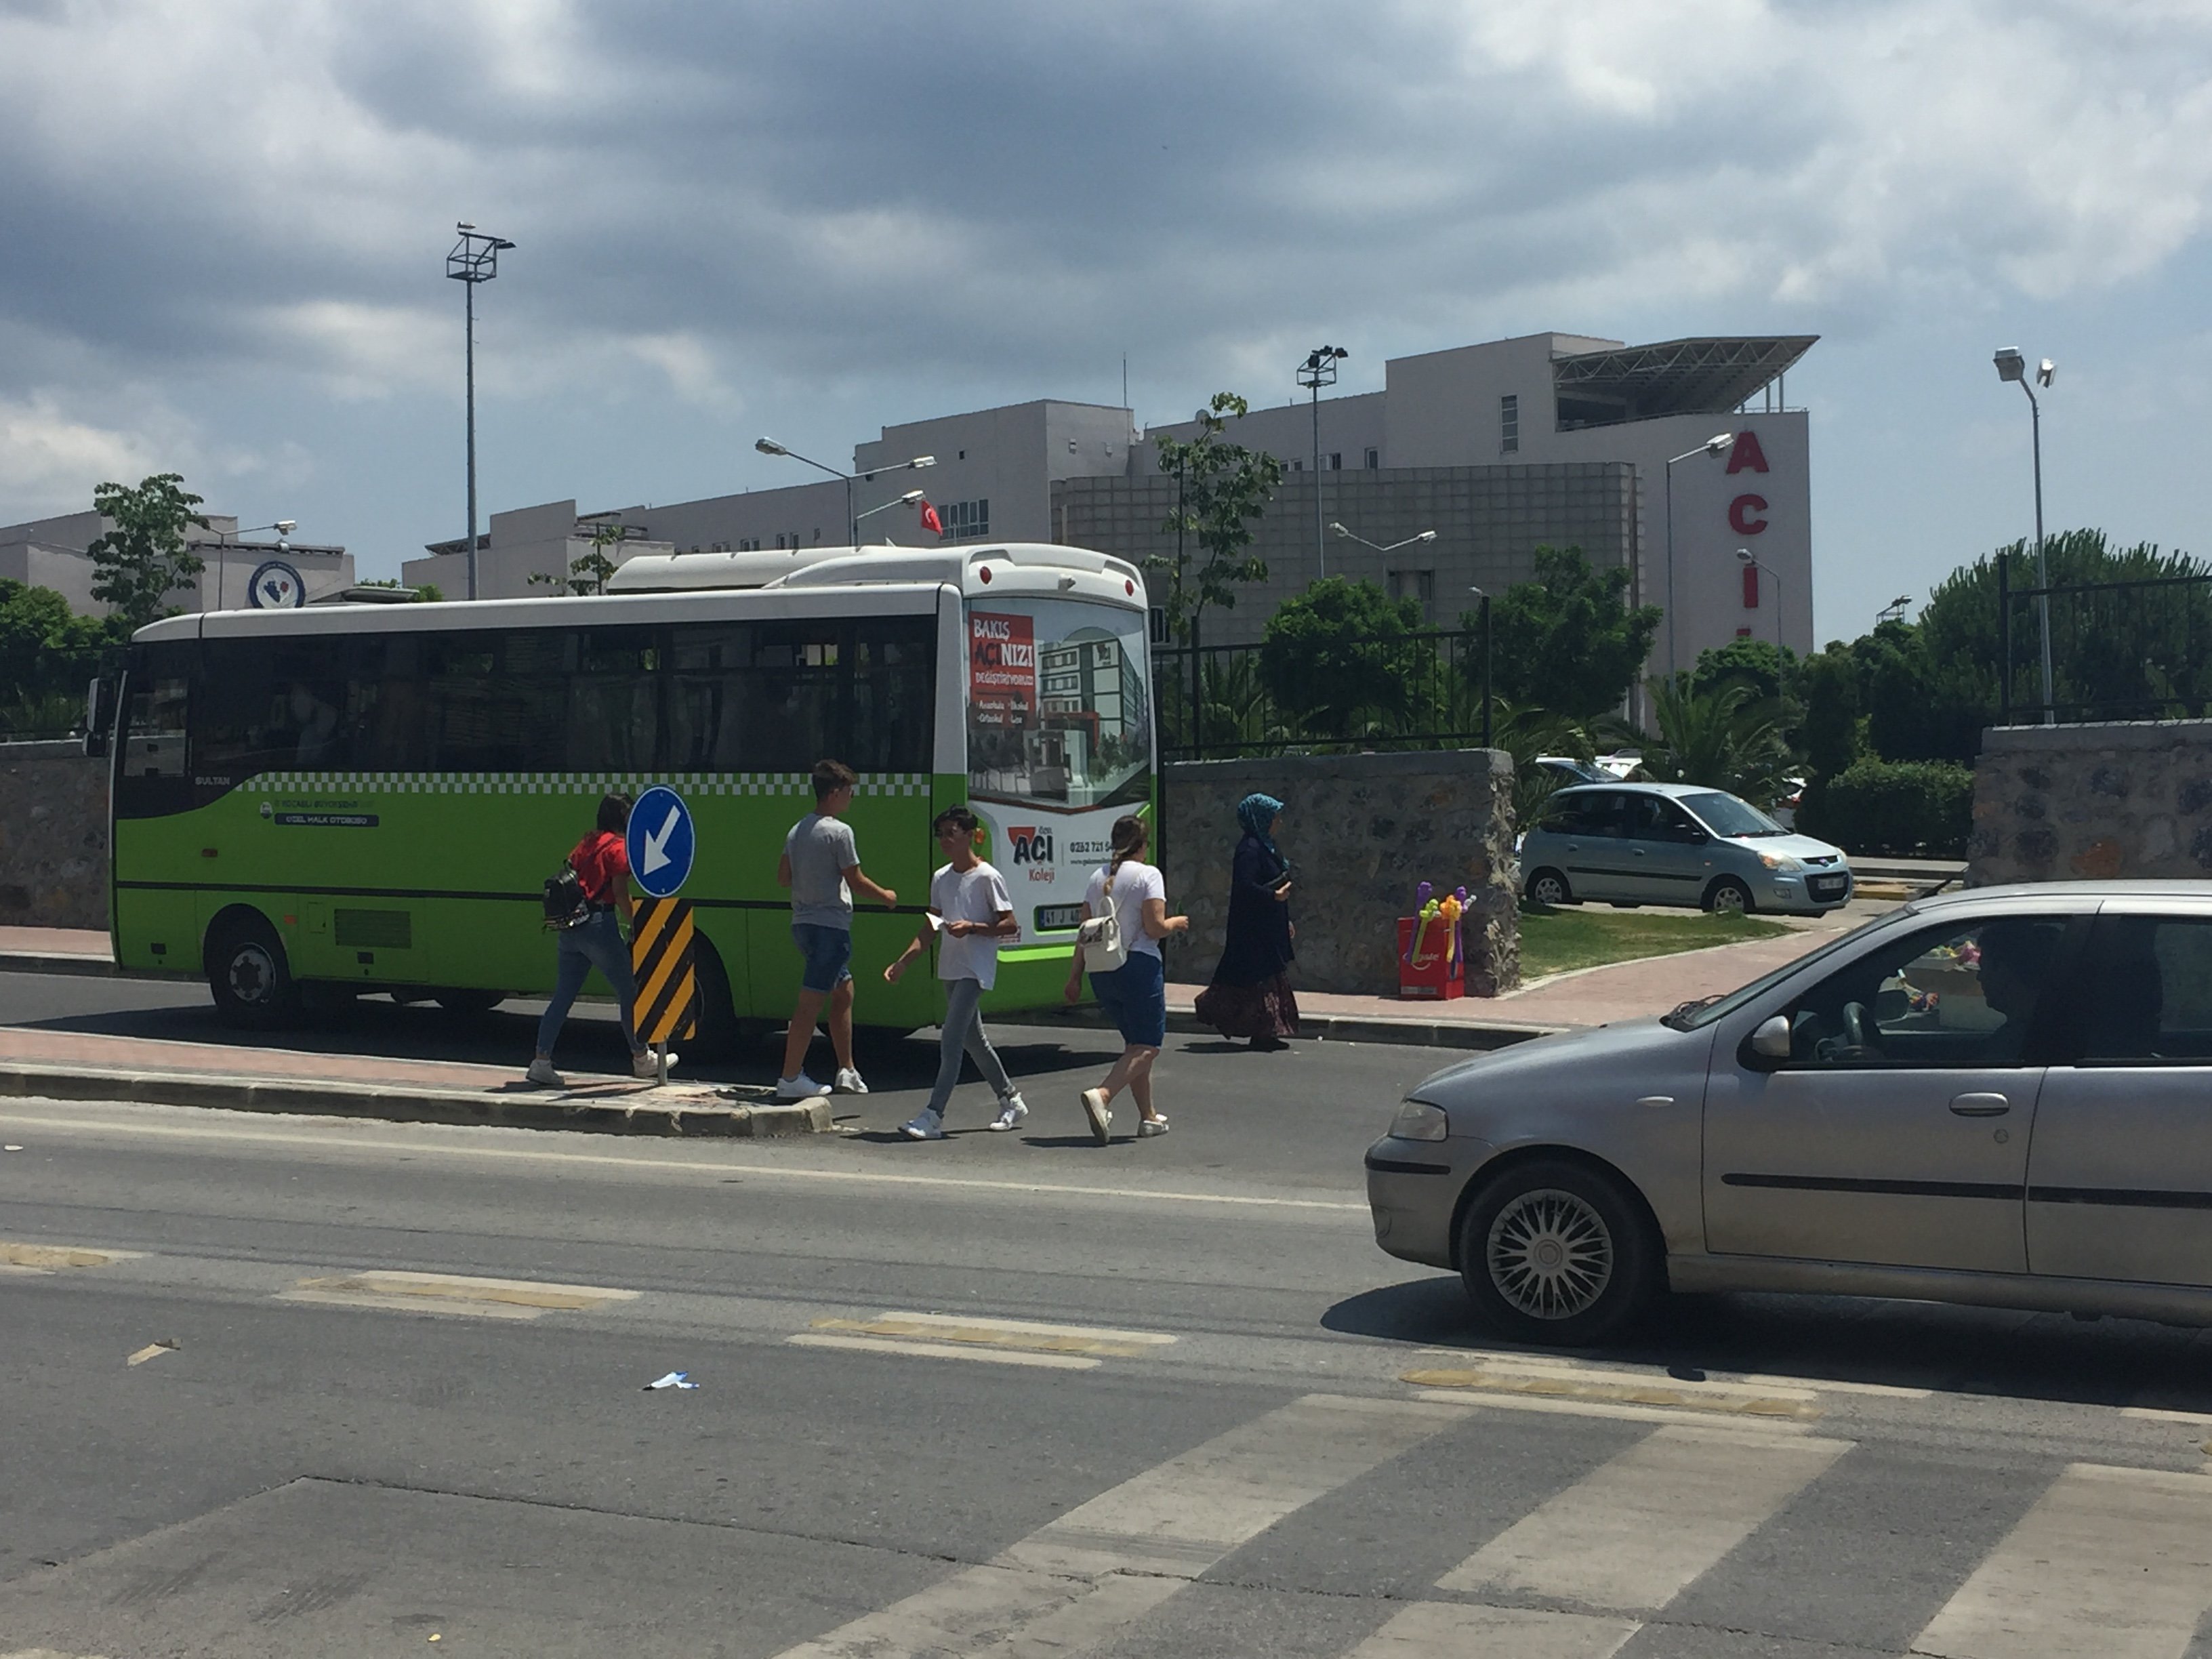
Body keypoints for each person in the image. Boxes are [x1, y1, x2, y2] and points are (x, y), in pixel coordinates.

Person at [885, 806, 1026, 1140]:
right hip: (950, 966)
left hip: (975, 969)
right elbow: (931, 925)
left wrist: (974, 928)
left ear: (969, 835)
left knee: (950, 1039)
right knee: (973, 1041)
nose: (945, 840)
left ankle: (933, 1115)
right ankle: (1011, 1098)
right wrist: (904, 961)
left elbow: (1009, 924)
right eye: (942, 834)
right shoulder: (941, 878)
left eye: (952, 833)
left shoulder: (988, 877)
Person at [527, 792, 667, 1087]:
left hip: (571, 926)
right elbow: (619, 894)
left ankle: (541, 1060)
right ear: (624, 819)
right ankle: (641, 1058)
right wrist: (637, 924)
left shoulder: (587, 842)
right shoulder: (617, 849)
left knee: (563, 996)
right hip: (598, 924)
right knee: (628, 991)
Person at [777, 759, 897, 1101]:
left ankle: (847, 1070)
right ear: (833, 793)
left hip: (803, 924)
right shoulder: (839, 832)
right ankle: (789, 1078)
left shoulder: (797, 830)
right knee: (809, 1004)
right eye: (848, 791)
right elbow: (855, 880)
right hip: (830, 927)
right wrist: (887, 897)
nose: (852, 797)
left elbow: (783, 878)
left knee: (843, 991)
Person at [1065, 815, 1187, 1144]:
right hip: (1139, 967)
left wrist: (1074, 977)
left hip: (1101, 972)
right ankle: (1103, 1095)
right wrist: (1176, 923)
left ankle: (1148, 1117)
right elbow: (1154, 928)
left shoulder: (1096, 878)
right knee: (1148, 1046)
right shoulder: (1149, 875)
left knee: (1134, 1047)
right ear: (1142, 845)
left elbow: (1085, 933)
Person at [1194, 793, 1300, 1049]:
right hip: (1253, 929)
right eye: (1275, 818)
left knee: (1267, 975)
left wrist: (1283, 916)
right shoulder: (1250, 850)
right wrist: (1273, 896)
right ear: (1261, 819)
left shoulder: (1265, 847)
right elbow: (1244, 886)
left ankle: (1266, 1031)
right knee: (1258, 977)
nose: (1279, 823)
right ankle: (1262, 1031)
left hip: (1268, 924)